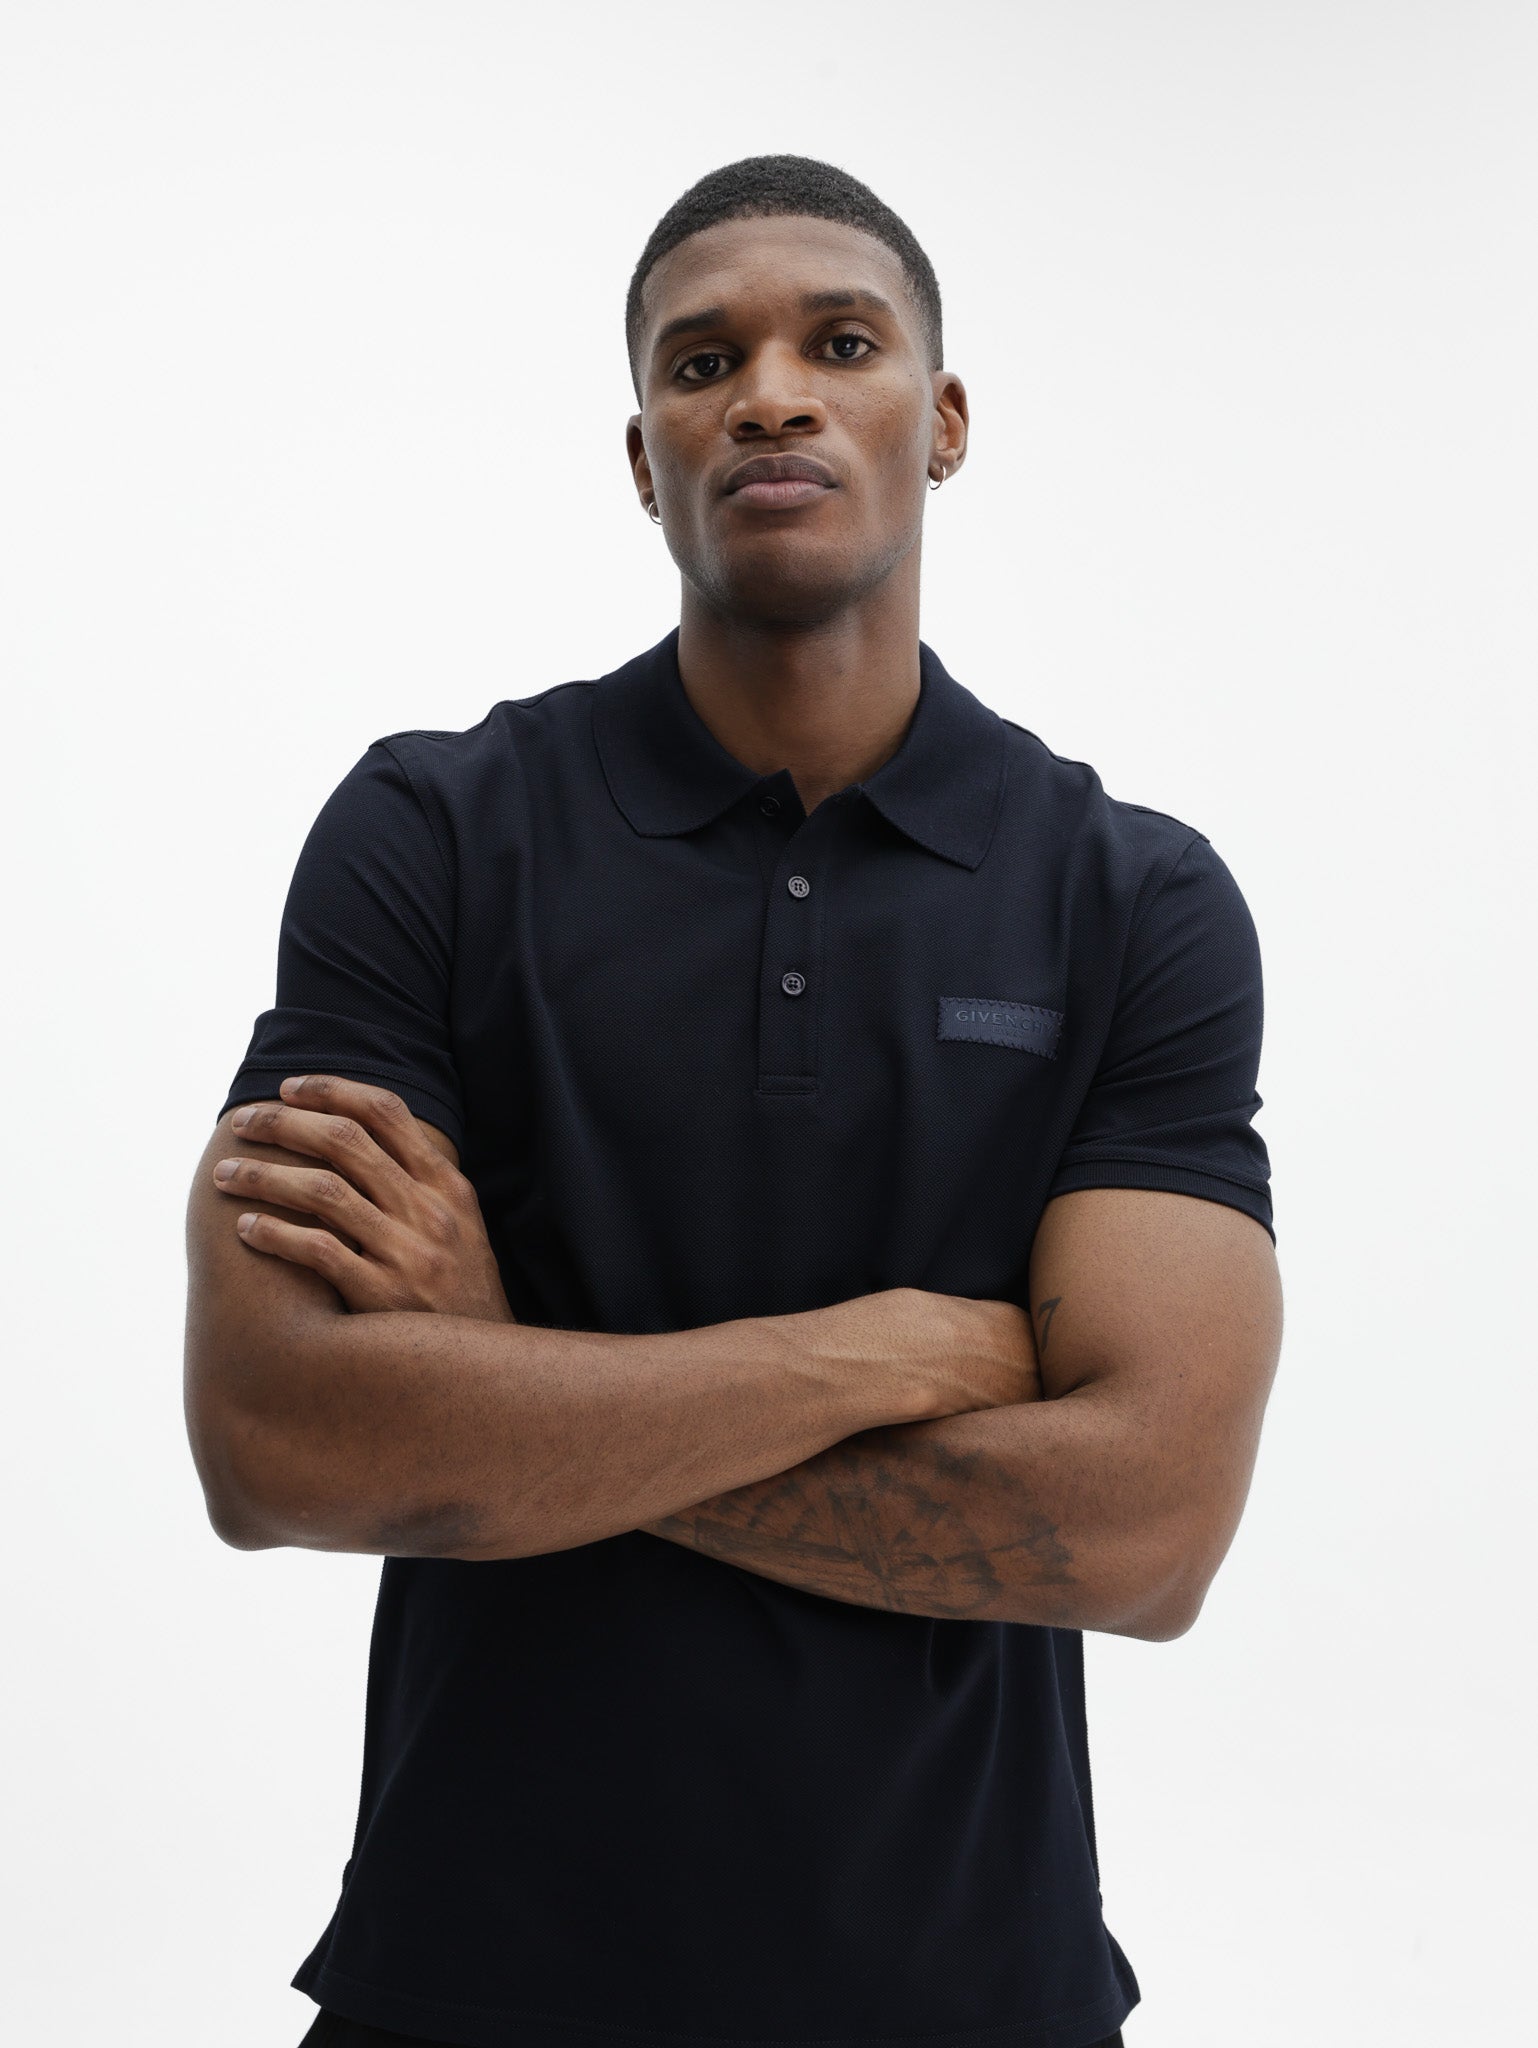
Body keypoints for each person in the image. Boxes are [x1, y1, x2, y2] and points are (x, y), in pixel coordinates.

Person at [184, 154, 1283, 2048]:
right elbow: (281, 1445)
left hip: (970, 1995)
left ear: (942, 422)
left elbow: (1147, 1532)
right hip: (467, 1983)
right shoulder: (434, 831)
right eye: (702, 364)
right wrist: (877, 1356)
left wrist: (509, 1385)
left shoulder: (1132, 897)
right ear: (644, 458)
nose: (769, 395)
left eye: (838, 345)